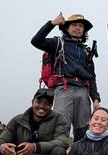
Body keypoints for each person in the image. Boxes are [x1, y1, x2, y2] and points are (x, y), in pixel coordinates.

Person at [31, 12, 100, 141]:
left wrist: (95, 98)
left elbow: (91, 77)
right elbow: (36, 41)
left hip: (83, 91)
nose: (78, 28)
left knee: (83, 128)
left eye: (81, 26)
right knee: (61, 127)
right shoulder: (57, 43)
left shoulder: (86, 51)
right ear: (67, 28)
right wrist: (52, 23)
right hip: (63, 89)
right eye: (74, 25)